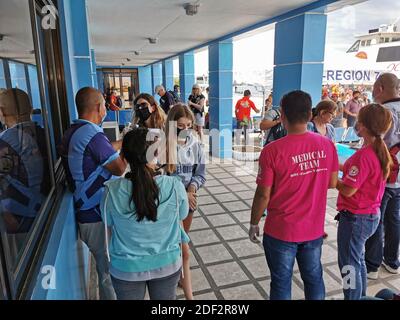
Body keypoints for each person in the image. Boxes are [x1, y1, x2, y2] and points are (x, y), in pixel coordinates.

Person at [250, 90, 339, 300]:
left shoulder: (272, 151)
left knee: (281, 281)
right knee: (314, 277)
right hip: (313, 228)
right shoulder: (327, 145)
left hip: (281, 230)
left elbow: (263, 194)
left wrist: (254, 222)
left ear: (282, 116)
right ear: (310, 115)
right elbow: (332, 182)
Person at [100, 128, 189, 300]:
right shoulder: (175, 187)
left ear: (123, 157)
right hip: (167, 264)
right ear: (155, 154)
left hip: (125, 269)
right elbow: (182, 214)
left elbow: (108, 221)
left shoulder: (110, 191)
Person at [58, 87, 127, 300]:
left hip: (87, 214)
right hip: (96, 216)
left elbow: (104, 151)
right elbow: (119, 168)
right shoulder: (92, 134)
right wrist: (131, 148)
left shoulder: (75, 131)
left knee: (104, 267)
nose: (106, 109)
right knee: (109, 270)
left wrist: (123, 142)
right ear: (98, 107)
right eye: (105, 105)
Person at [336, 104, 392, 300]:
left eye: (359, 120)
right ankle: (360, 297)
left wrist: (333, 180)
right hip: (369, 216)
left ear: (363, 126)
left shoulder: (364, 155)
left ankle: (351, 297)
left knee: (348, 265)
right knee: (357, 260)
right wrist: (338, 165)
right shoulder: (378, 150)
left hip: (355, 219)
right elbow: (360, 175)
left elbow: (349, 189)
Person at [0, 89, 50, 255]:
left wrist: (6, 216)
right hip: (47, 210)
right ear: (30, 109)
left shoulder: (4, 142)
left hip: (17, 219)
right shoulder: (46, 134)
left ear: (1, 111)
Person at [165, 104, 206, 300]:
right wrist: (182, 192)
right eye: (181, 126)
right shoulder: (162, 145)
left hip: (189, 202)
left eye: (189, 125)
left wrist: (192, 188)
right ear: (172, 126)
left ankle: (181, 274)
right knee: (177, 244)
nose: (185, 130)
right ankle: (173, 276)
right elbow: (159, 179)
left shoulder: (196, 144)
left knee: (183, 240)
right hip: (168, 203)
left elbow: (200, 174)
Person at [365, 73, 400, 279]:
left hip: (381, 175)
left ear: (379, 88)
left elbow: (370, 143)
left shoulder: (381, 112)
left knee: (375, 217)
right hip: (398, 179)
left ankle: (372, 264)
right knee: (394, 219)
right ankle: (393, 261)